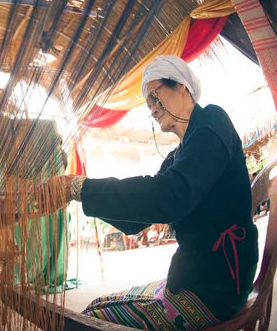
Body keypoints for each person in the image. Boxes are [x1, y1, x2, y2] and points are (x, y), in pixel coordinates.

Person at [57, 55, 259, 330]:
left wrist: (81, 187)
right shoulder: (178, 156)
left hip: (215, 288)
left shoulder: (212, 121)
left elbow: (170, 196)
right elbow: (137, 220)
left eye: (155, 95)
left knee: (86, 323)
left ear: (182, 87)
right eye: (148, 104)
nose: (152, 108)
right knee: (96, 305)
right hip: (193, 279)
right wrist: (81, 194)